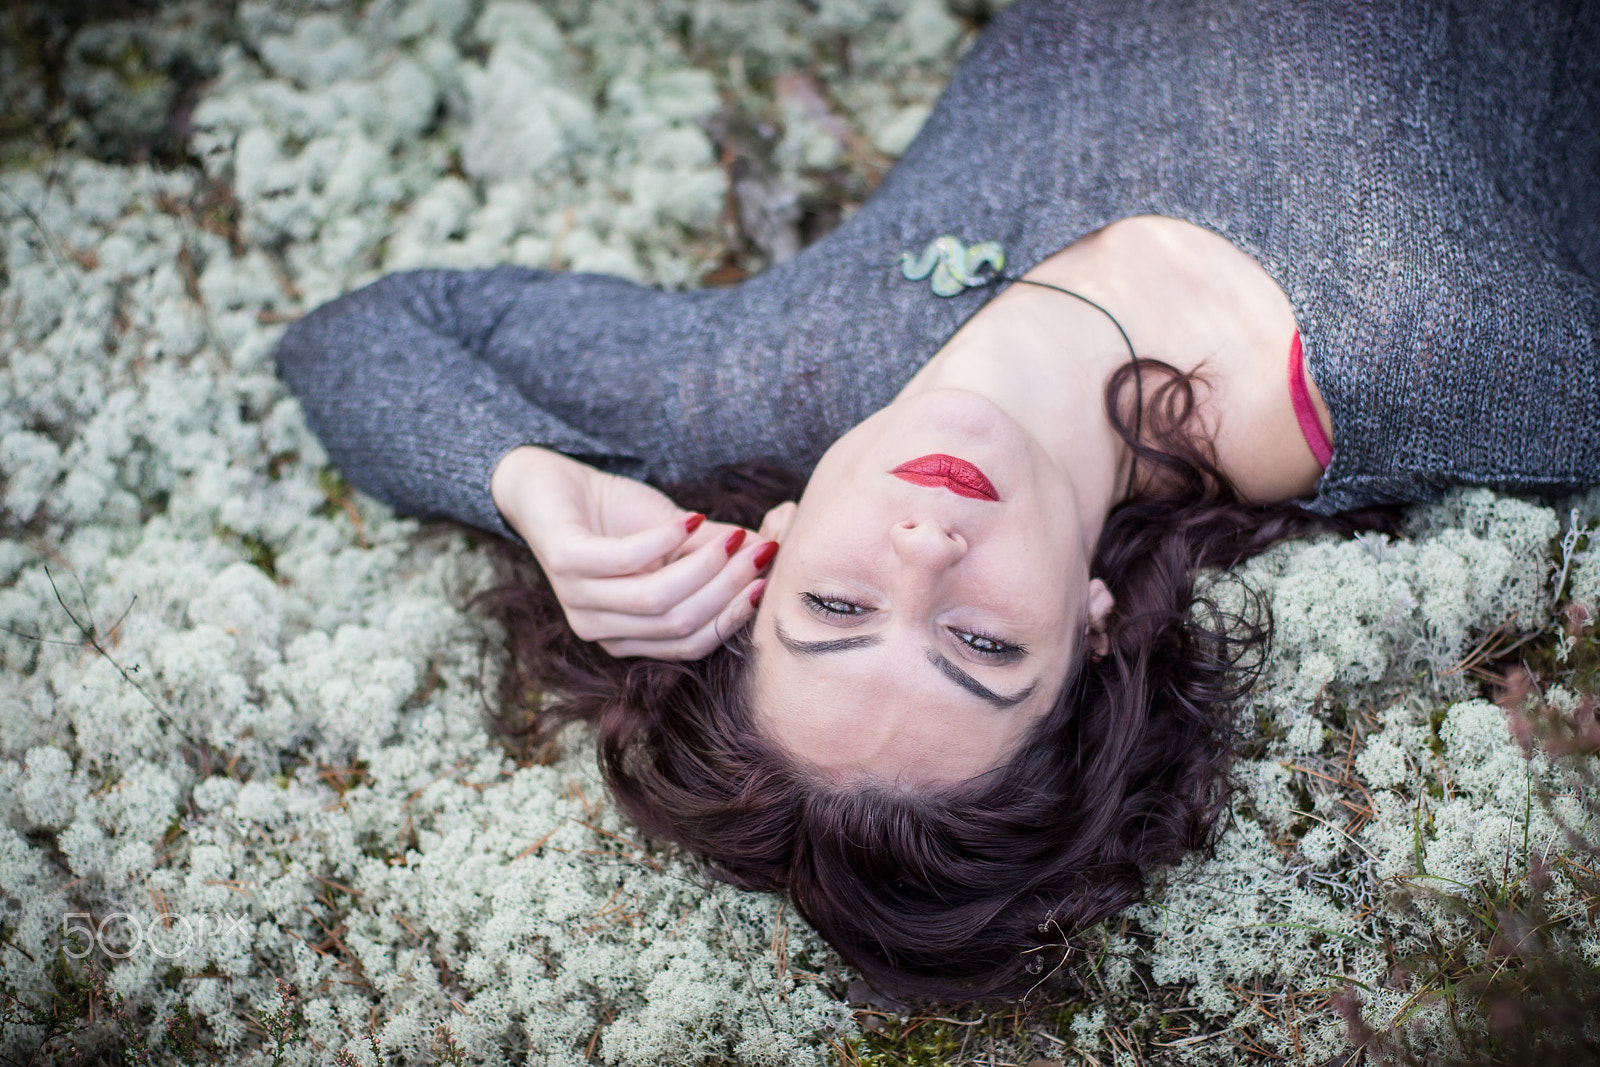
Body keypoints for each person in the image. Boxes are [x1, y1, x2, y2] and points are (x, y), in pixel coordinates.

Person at [276, 0, 1600, 999]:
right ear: (1091, 633)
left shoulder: (769, 383)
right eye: (980, 645)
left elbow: (358, 339)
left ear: (772, 551)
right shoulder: (1465, 362)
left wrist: (528, 484)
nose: (923, 550)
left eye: (839, 606)